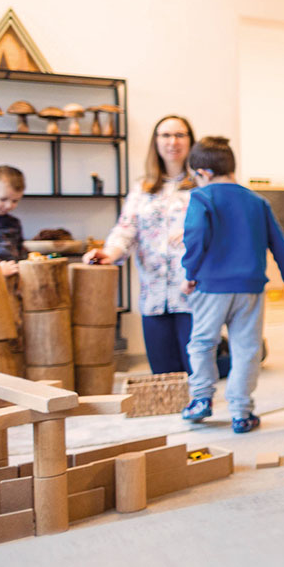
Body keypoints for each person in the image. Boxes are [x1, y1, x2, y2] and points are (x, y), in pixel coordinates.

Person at [178, 136, 284, 433]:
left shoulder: (202, 198)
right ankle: (241, 412)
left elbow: (195, 237)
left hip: (211, 287)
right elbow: (279, 245)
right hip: (250, 289)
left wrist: (189, 272)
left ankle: (201, 398)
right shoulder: (257, 202)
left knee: (202, 343)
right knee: (247, 348)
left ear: (203, 173)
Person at [85, 115, 196, 374]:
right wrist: (108, 254)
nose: (173, 142)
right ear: (155, 142)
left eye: (180, 135)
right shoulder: (142, 188)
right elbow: (126, 229)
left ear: (191, 141)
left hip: (192, 292)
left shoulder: (202, 185)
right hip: (153, 293)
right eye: (165, 135)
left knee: (198, 371)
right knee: (163, 374)